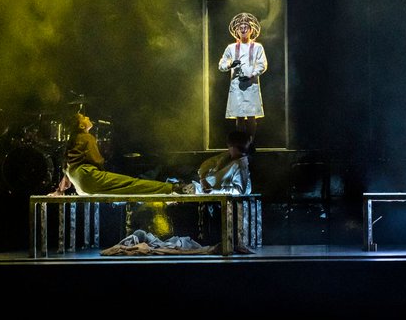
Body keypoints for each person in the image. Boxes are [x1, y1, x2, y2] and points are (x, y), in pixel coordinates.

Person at [63, 113, 192, 195]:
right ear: (81, 125)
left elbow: (66, 164)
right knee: (130, 184)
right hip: (87, 177)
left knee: (124, 187)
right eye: (84, 118)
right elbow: (97, 160)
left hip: (77, 181)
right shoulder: (87, 137)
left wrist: (63, 185)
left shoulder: (73, 139)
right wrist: (105, 176)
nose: (88, 117)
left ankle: (171, 188)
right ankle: (172, 188)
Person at [218, 12, 268, 142]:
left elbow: (262, 64)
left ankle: (250, 142)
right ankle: (241, 144)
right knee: (239, 116)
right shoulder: (231, 48)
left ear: (251, 30)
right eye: (241, 27)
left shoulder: (257, 47)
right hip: (237, 86)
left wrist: (251, 75)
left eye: (246, 27)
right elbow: (221, 65)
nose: (243, 29)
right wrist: (230, 64)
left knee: (251, 116)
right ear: (237, 31)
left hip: (251, 85)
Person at [194, 129, 253, 194]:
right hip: (202, 188)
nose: (228, 149)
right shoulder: (227, 156)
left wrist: (214, 190)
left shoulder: (240, 165)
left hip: (221, 200)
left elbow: (240, 191)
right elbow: (206, 166)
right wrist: (203, 178)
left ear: (233, 147)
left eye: (229, 146)